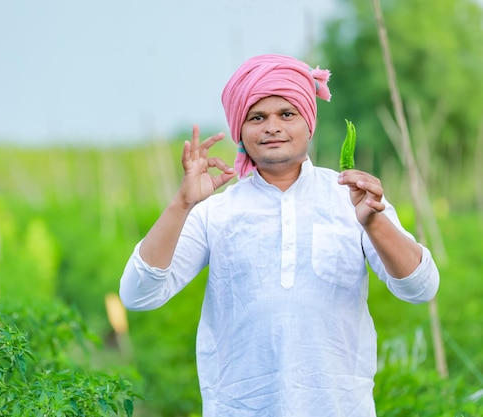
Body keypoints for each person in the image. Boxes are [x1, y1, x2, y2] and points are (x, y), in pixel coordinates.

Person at [119, 54, 440, 417]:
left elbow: (421, 288)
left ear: (309, 123)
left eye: (287, 114)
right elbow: (137, 295)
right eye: (257, 117)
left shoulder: (352, 199)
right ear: (240, 131)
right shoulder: (215, 212)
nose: (272, 126)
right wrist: (182, 203)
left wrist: (374, 223)